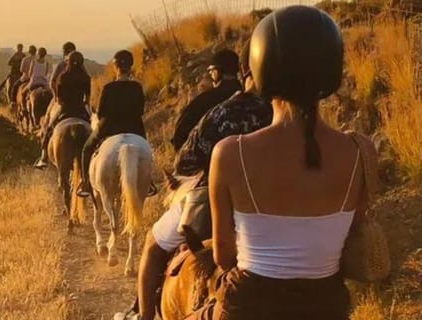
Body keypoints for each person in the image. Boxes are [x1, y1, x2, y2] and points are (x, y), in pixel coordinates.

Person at [206, 7, 362, 319]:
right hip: (327, 307)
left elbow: (223, 256)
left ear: (260, 66)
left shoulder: (230, 153)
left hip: (249, 307)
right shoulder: (359, 151)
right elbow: (353, 243)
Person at [118, 41, 272, 320]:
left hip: (212, 201)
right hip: (274, 204)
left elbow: (185, 161)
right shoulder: (289, 115)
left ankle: (144, 315)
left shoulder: (223, 112)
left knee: (153, 245)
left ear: (244, 69)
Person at [76, 50, 145, 196]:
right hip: (134, 127)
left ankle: (85, 183)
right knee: (146, 149)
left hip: (109, 128)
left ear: (115, 67)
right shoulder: (137, 87)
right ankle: (148, 183)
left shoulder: (108, 88)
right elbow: (140, 110)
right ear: (131, 67)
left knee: (87, 148)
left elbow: (101, 112)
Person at [171, 49, 243, 151]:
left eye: (211, 72)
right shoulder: (251, 97)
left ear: (217, 72)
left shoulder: (203, 102)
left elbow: (179, 137)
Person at [33, 51, 91, 169]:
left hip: (65, 109)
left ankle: (43, 157)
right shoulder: (85, 77)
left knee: (48, 129)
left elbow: (59, 100)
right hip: (81, 109)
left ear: (68, 62)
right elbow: (87, 99)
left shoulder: (63, 77)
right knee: (93, 129)